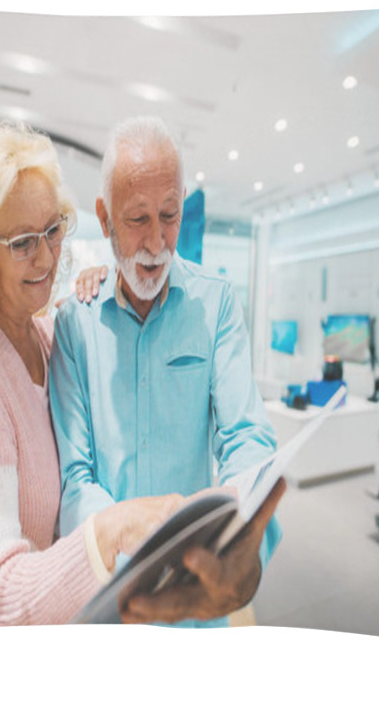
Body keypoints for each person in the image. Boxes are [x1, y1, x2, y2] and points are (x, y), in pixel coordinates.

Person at [0, 122, 182, 634]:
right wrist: (109, 531)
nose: (48, 257)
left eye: (53, 230)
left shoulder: (46, 339)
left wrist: (102, 287)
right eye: (22, 242)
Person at [50, 115, 284, 626]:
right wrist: (126, 551)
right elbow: (76, 476)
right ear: (105, 218)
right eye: (136, 220)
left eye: (170, 215)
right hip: (109, 598)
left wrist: (247, 538)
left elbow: (245, 437)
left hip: (195, 601)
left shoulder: (216, 303)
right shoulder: (74, 323)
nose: (157, 242)